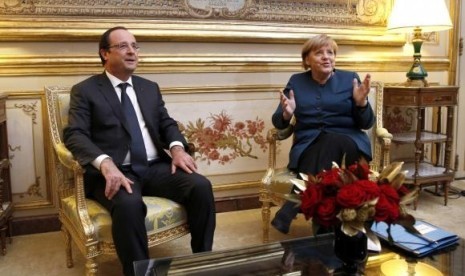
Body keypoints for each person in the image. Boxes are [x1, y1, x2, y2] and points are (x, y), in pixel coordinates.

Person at [63, 26, 216, 276]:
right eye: (123, 46)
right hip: (114, 172)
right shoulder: (86, 90)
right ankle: (139, 273)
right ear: (104, 54)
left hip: (154, 167)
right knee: (129, 205)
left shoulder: (149, 87)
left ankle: (202, 262)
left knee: (200, 186)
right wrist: (105, 163)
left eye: (135, 46)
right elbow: (75, 134)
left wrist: (177, 148)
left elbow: (166, 123)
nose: (132, 52)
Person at [271, 34, 374, 234]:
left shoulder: (350, 78)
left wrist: (361, 104)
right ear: (307, 60)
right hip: (310, 148)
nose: (327, 57)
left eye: (331, 53)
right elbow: (278, 121)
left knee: (334, 140)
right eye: (319, 53)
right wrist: (286, 113)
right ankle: (326, 233)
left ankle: (290, 207)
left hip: (350, 146)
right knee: (326, 152)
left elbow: (367, 123)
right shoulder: (297, 81)